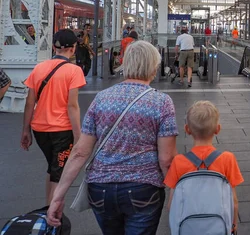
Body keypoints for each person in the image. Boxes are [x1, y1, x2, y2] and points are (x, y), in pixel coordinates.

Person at [46, 41, 178, 234]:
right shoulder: (162, 102)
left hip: (101, 190)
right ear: (153, 67)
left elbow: (80, 152)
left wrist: (57, 196)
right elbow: (166, 159)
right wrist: (175, 191)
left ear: (126, 63)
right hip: (143, 189)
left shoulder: (101, 98)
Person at [21, 29, 86, 205]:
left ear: (54, 47)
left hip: (39, 130)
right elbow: (72, 105)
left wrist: (25, 130)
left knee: (53, 169)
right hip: (62, 131)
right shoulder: (74, 71)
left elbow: (29, 103)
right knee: (60, 174)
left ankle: (48, 208)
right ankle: (52, 218)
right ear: (73, 48)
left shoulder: (38, 68)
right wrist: (79, 135)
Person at [164, 101, 243, 233]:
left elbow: (171, 204)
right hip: (218, 227)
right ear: (217, 129)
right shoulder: (227, 159)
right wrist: (233, 225)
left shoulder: (178, 161)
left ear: (187, 130)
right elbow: (233, 201)